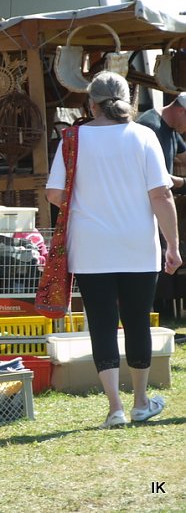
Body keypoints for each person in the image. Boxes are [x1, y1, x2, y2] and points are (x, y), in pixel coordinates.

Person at [46, 71, 180, 429]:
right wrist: (174, 245)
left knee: (102, 325)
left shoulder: (72, 139)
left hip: (90, 247)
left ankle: (114, 407)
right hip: (138, 246)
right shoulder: (144, 136)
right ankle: (140, 401)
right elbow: (161, 194)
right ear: (129, 101)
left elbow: (54, 194)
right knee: (138, 322)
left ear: (90, 104)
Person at [135, 92, 186, 317]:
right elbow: (158, 179)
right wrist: (180, 183)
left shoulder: (172, 129)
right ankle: (153, 313)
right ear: (181, 111)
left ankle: (157, 314)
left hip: (158, 203)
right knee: (156, 259)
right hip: (145, 207)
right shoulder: (150, 127)